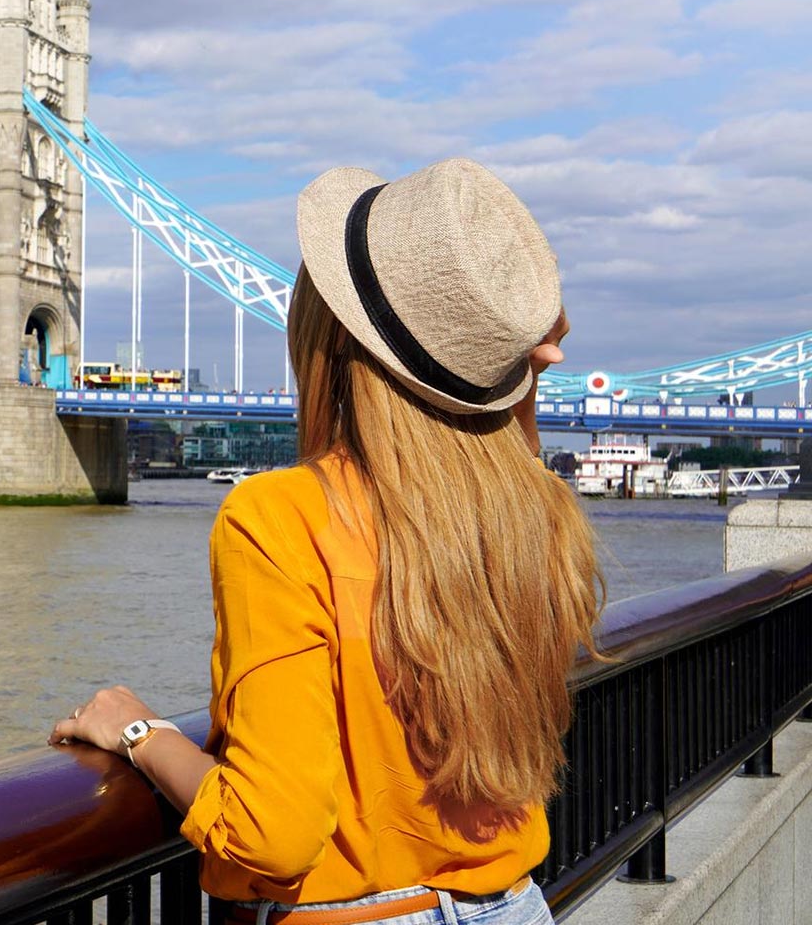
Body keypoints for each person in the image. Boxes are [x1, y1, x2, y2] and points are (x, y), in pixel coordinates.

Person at [52, 159, 602, 925]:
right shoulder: (539, 517)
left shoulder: (281, 518)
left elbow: (271, 837)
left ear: (326, 338)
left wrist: (139, 733)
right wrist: (511, 376)